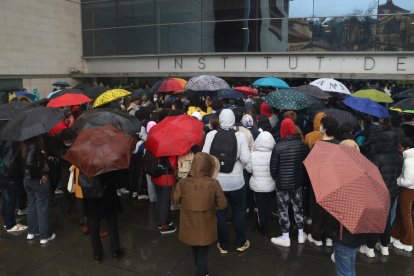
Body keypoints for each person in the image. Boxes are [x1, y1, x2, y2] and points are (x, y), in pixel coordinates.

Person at [202, 109, 251, 253]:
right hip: (237, 182)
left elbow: (204, 156)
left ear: (220, 119)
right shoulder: (240, 136)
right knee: (238, 211)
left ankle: (223, 245)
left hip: (218, 183)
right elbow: (246, 159)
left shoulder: (211, 134)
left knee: (220, 214)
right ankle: (240, 242)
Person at [173, 152, 227, 276]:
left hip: (188, 223)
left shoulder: (183, 182)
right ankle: (202, 273)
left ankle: (202, 271)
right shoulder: (213, 183)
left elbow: (175, 199)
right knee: (203, 251)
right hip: (206, 225)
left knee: (195, 249)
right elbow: (223, 204)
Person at [360, 131, 404, 257]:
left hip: (377, 192)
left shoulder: (378, 157)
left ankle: (370, 248)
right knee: (387, 219)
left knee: (374, 220)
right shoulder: (399, 157)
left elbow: (371, 176)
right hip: (392, 192)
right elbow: (397, 175)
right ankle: (385, 246)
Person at [327, 140, 366, 276]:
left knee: (344, 271)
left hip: (344, 235)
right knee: (349, 267)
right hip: (356, 234)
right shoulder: (363, 174)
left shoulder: (342, 179)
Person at [269, 118, 309, 247]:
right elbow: (306, 165)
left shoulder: (278, 146)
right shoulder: (302, 145)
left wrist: (277, 178)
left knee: (283, 210)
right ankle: (301, 234)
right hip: (297, 183)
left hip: (282, 184)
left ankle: (286, 238)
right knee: (298, 208)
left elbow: (273, 169)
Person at [308, 116, 339, 247]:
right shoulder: (339, 145)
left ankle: (317, 236)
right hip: (334, 183)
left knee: (318, 211)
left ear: (324, 128)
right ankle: (330, 237)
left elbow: (312, 166)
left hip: (319, 183)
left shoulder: (317, 146)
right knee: (331, 211)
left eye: (321, 125)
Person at [81, 171, 123, 262]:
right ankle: (115, 252)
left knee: (94, 227)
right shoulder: (107, 161)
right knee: (112, 224)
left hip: (91, 199)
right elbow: (115, 179)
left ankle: (97, 254)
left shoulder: (85, 161)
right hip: (107, 196)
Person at [21, 135, 55, 244]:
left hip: (26, 180)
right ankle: (45, 235)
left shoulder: (23, 147)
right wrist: (39, 175)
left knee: (32, 204)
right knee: (42, 206)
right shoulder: (34, 147)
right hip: (37, 181)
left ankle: (32, 231)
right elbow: (30, 164)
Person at [245, 131, 276, 236]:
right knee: (268, 205)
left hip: (257, 186)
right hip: (271, 185)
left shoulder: (253, 155)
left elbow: (249, 170)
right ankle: (265, 223)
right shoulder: (274, 154)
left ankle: (263, 225)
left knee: (260, 205)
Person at [0, 139, 27, 232]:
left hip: (2, 173)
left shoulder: (4, 139)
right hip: (9, 175)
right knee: (10, 200)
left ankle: (6, 221)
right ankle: (10, 224)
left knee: (5, 198)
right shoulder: (13, 142)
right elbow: (14, 160)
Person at [391, 138, 414, 252]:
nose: (398, 149)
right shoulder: (409, 158)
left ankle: (408, 242)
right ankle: (396, 235)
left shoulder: (409, 161)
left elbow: (408, 181)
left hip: (408, 190)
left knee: (405, 215)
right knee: (401, 213)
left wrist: (396, 181)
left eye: (400, 147)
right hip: (409, 190)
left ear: (406, 148)